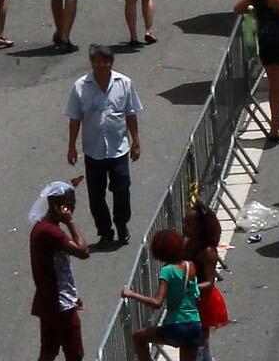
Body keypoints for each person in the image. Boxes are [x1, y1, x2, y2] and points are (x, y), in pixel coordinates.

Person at [65, 44, 143, 247]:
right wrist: (71, 146)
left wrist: (136, 142)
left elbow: (131, 114)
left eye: (105, 62)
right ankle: (105, 232)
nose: (102, 65)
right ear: (92, 63)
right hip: (93, 151)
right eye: (97, 61)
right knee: (96, 195)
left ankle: (121, 223)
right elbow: (75, 118)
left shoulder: (124, 83)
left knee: (122, 188)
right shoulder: (80, 86)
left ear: (111, 63)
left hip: (119, 149)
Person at [119, 227, 204, 361]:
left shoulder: (167, 271)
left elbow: (157, 302)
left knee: (139, 337)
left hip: (177, 324)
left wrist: (131, 294)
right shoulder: (190, 266)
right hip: (195, 324)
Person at [27, 181, 89, 361]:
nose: (71, 209)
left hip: (49, 301)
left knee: (48, 351)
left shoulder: (40, 228)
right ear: (55, 206)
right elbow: (83, 251)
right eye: (68, 205)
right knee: (75, 354)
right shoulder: (51, 232)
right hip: (60, 304)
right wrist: (70, 222)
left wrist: (73, 294)